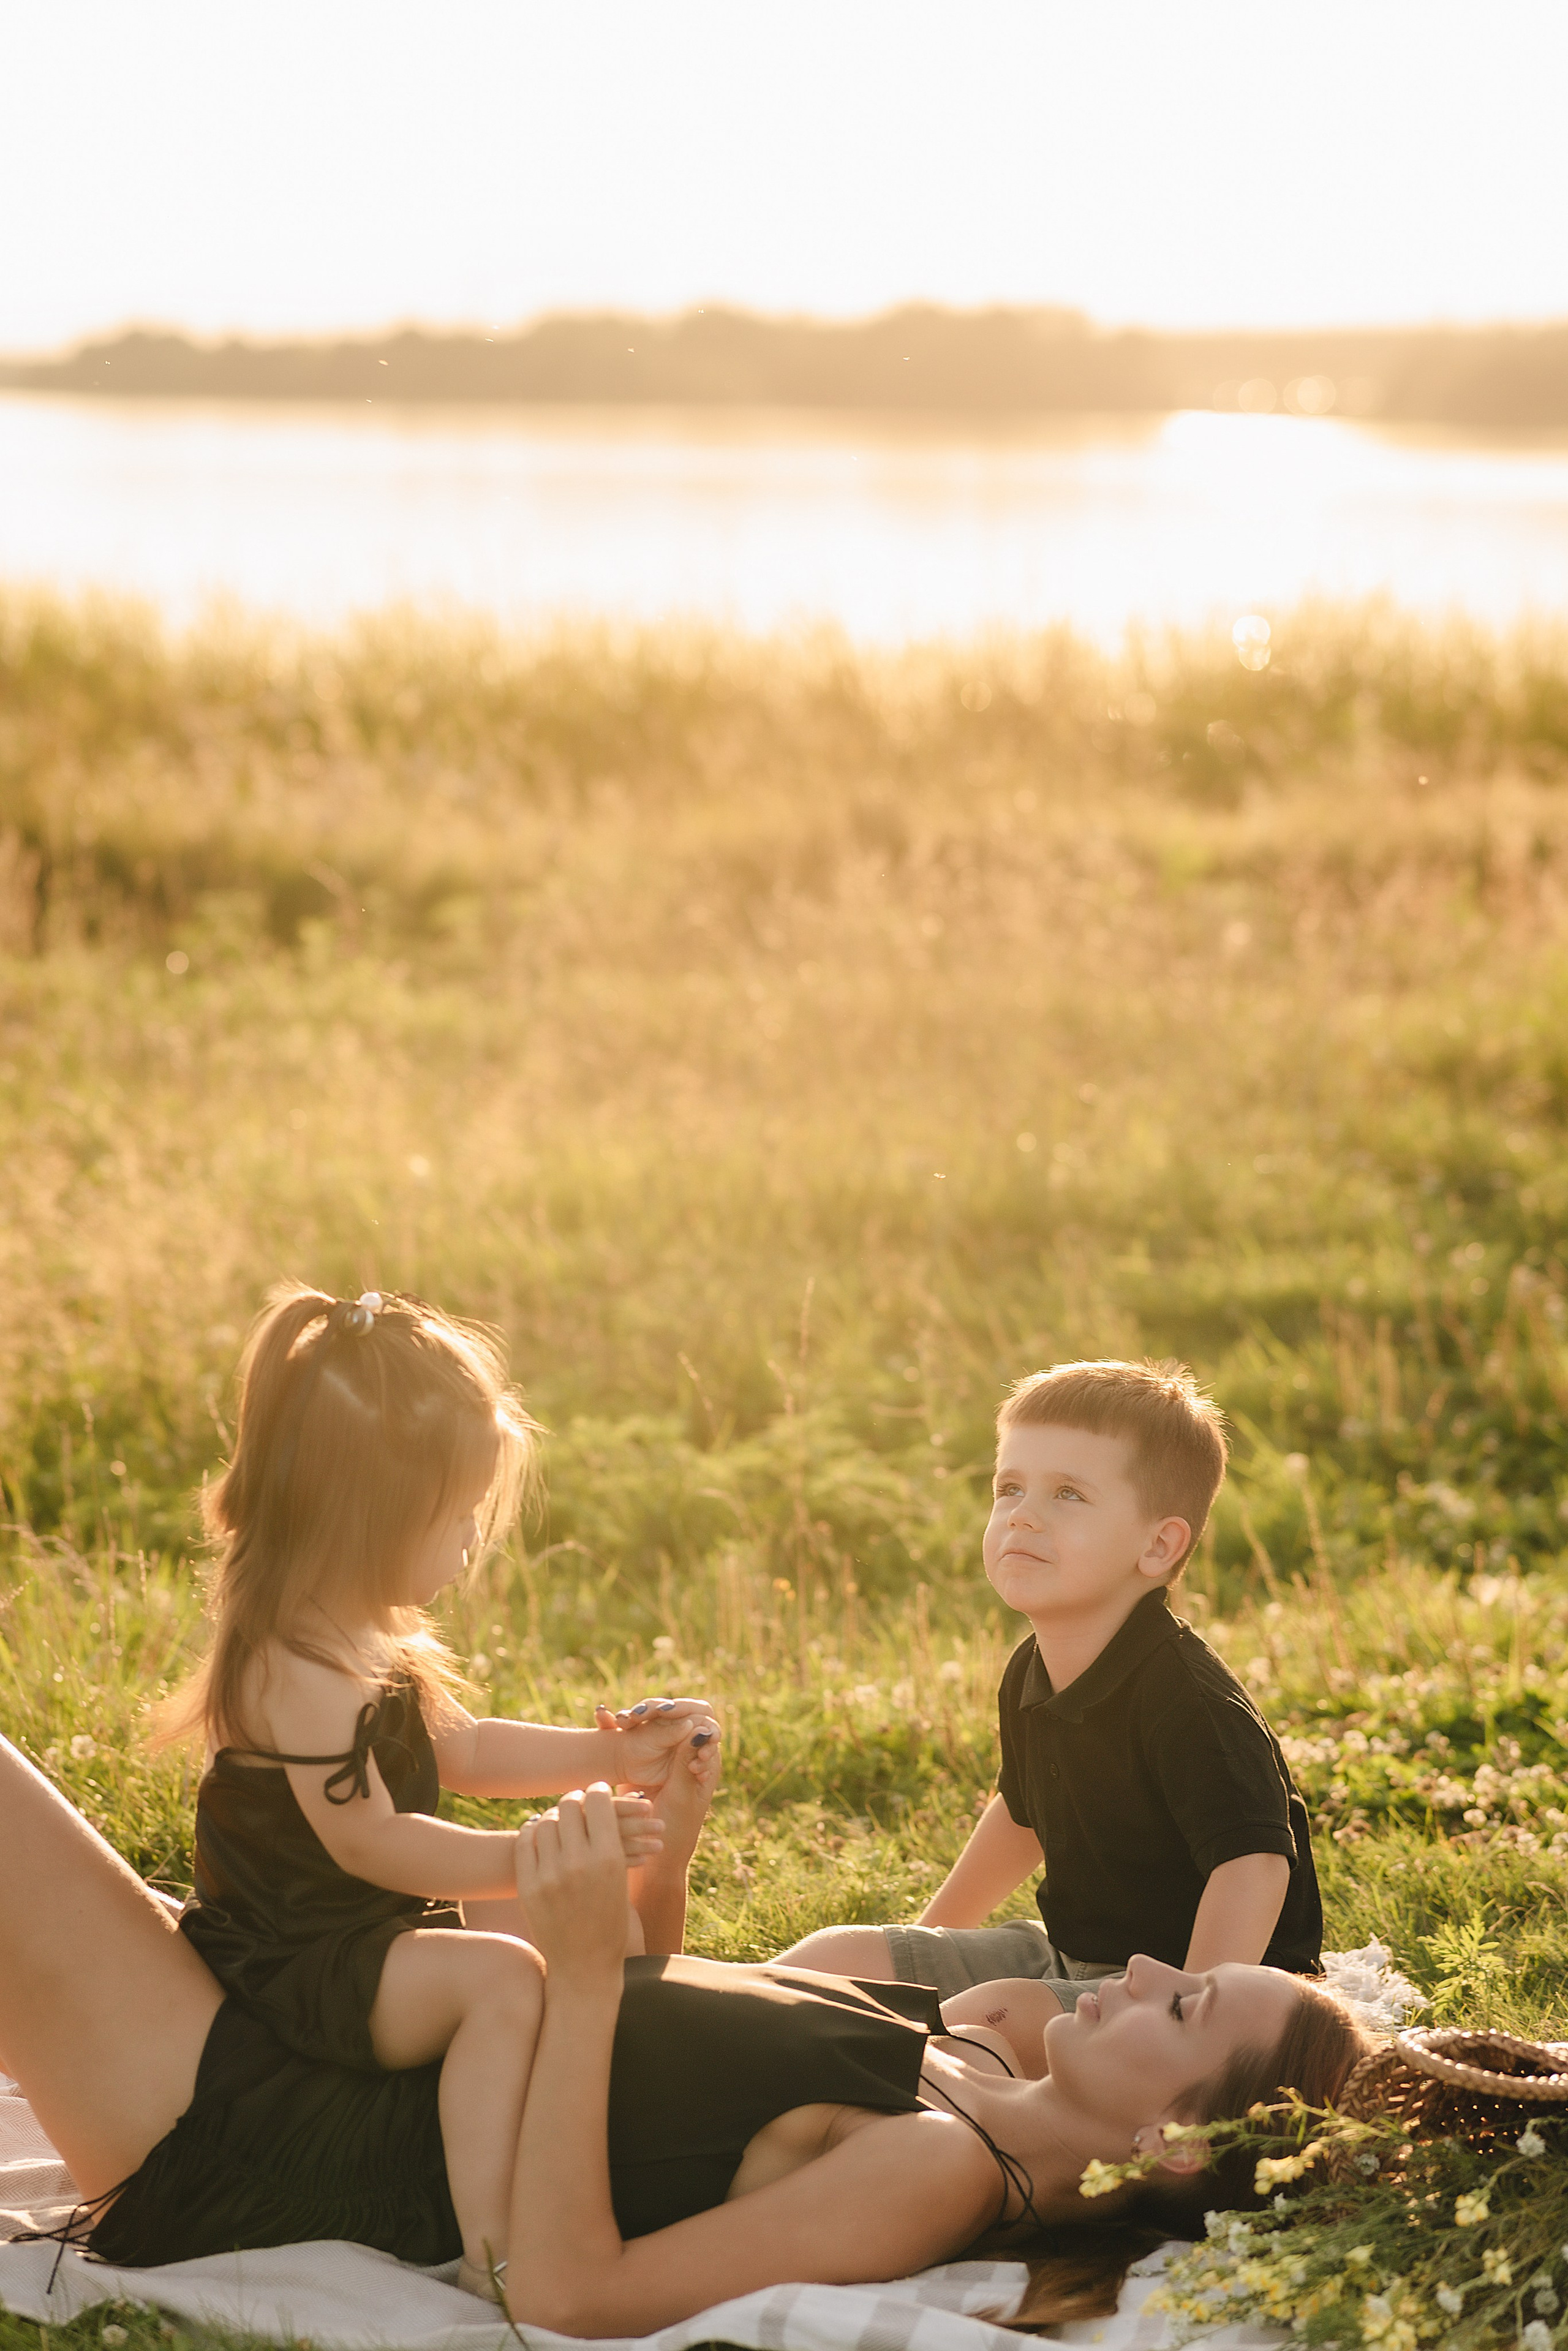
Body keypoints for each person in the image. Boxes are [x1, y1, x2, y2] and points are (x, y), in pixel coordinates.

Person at [0, 1742, 1368, 2336]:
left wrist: (583, 1971)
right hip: (332, 2023)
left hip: (249, 2124)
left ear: (1169, 2143)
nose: (1147, 1968)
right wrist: (667, 1871)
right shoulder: (986, 2063)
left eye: (1184, 2004)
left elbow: (568, 2296)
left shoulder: (941, 2170)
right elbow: (674, 2070)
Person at [161, 1281, 718, 2289]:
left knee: (523, 1926)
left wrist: (611, 1756)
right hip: (296, 1959)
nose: (470, 1541)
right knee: (499, 1976)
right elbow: (372, 1842)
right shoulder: (295, 1664)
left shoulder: (362, 1626)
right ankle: (492, 2247)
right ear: (364, 1516)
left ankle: (599, 2117)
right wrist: (531, 1857)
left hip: (361, 1926)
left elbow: (466, 1752)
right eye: (454, 1516)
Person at [777, 1359, 1322, 2006]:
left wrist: (1183, 2019)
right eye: (1009, 1488)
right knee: (836, 1955)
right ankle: (707, 2015)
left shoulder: (1188, 1700)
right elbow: (1021, 1817)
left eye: (1067, 1494)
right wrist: (925, 1944)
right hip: (1070, 1961)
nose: (1023, 1516)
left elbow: (1254, 1864)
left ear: (1158, 1546)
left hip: (1201, 1989)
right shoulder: (1031, 1671)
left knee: (988, 2019)